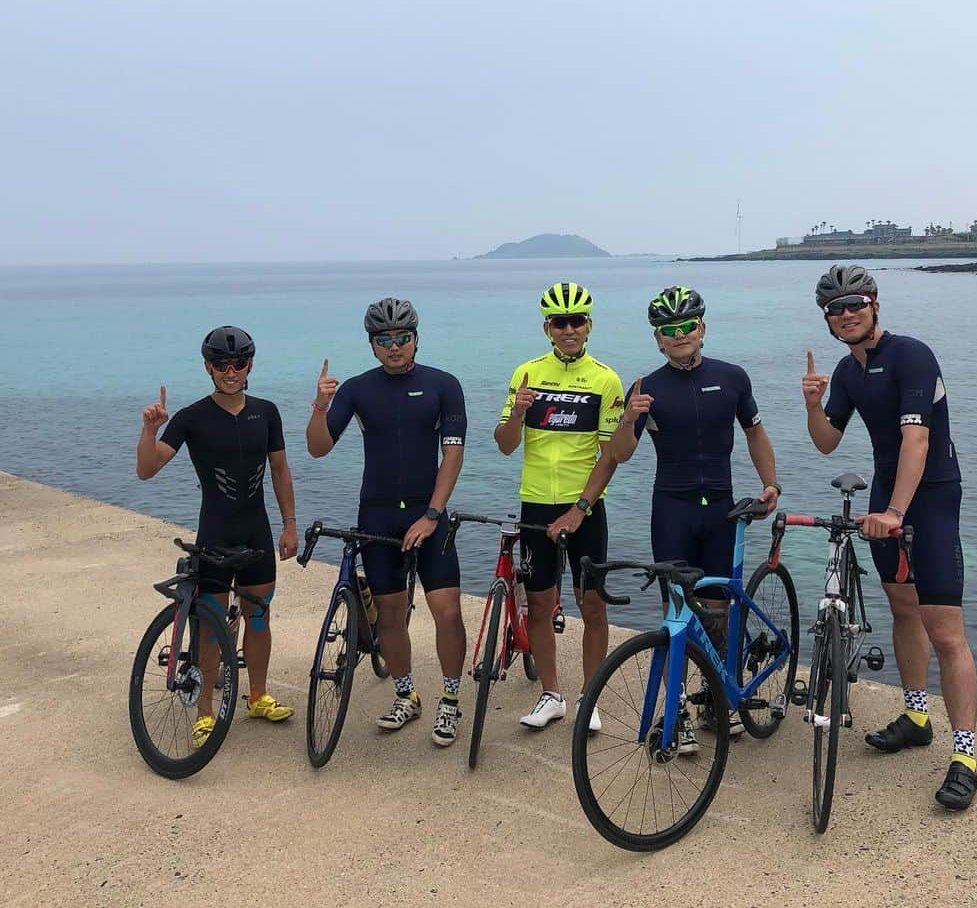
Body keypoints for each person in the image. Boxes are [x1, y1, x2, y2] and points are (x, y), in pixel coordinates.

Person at [802, 264, 977, 810]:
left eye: (855, 303)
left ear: (875, 304)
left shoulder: (912, 356)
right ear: (829, 321)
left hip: (930, 497)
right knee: (902, 608)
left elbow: (916, 442)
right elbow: (828, 442)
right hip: (888, 499)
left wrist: (898, 510)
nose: (847, 313)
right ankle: (916, 714)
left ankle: (966, 757)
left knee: (945, 630)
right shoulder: (848, 370)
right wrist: (813, 403)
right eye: (836, 308)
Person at [610, 286, 781, 752]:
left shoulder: (732, 378)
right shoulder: (648, 388)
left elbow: (755, 433)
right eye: (670, 330)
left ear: (702, 330)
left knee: (720, 610)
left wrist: (771, 484)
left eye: (687, 327)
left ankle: (721, 698)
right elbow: (621, 455)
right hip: (672, 509)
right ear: (658, 340)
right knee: (678, 615)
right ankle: (678, 707)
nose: (680, 335)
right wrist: (629, 418)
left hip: (722, 509)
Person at [306, 297, 468, 747]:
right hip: (376, 515)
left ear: (415, 339)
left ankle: (451, 701)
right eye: (384, 340)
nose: (394, 347)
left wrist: (433, 514)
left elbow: (452, 454)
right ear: (373, 345)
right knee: (391, 615)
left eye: (402, 338)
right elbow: (318, 449)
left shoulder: (444, 385)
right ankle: (406, 695)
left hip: (429, 513)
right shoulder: (357, 390)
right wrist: (320, 406)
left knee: (447, 611)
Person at [136, 326, 298, 747]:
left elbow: (279, 469)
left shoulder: (268, 411)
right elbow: (147, 469)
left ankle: (257, 696)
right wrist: (150, 430)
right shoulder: (191, 418)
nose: (231, 371)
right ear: (208, 367)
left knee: (258, 616)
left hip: (257, 532)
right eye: (222, 365)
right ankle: (205, 710)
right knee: (210, 628)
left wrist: (290, 523)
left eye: (239, 363)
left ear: (250, 366)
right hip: (215, 533)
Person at [494, 281, 623, 731]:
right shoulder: (526, 374)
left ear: (589, 325)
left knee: (592, 605)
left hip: (585, 508)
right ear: (547, 327)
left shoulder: (605, 379)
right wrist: (518, 414)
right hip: (535, 504)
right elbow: (506, 445)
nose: (569, 329)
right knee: (539, 603)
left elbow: (609, 456)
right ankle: (552, 695)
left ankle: (590, 696)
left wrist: (579, 508)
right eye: (559, 322)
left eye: (577, 321)